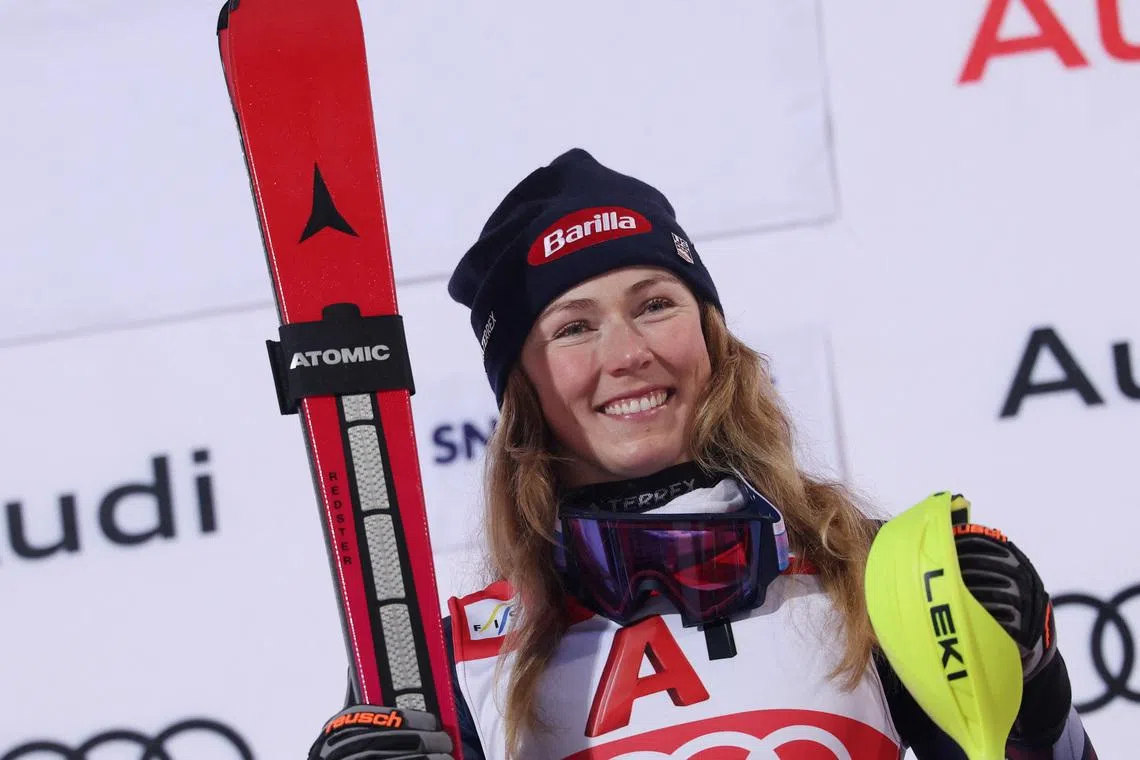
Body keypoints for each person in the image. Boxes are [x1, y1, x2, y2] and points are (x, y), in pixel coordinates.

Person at [308, 149, 1097, 759]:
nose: (628, 355)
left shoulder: (870, 576)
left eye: (655, 305)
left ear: (713, 338)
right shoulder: (456, 663)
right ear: (525, 393)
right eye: (575, 327)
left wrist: (1030, 681)